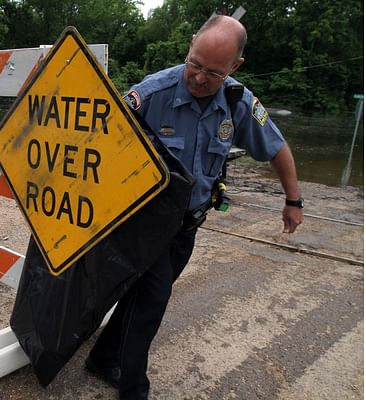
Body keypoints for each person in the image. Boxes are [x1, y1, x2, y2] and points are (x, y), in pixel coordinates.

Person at [84, 15, 304, 399]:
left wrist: (293, 199)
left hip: (187, 224)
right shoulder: (151, 94)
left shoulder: (238, 101)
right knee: (152, 301)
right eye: (194, 64)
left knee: (144, 296)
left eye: (213, 73)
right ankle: (133, 390)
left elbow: (276, 146)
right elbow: (96, 143)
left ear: (235, 67)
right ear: (189, 46)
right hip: (143, 222)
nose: (199, 78)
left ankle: (103, 358)